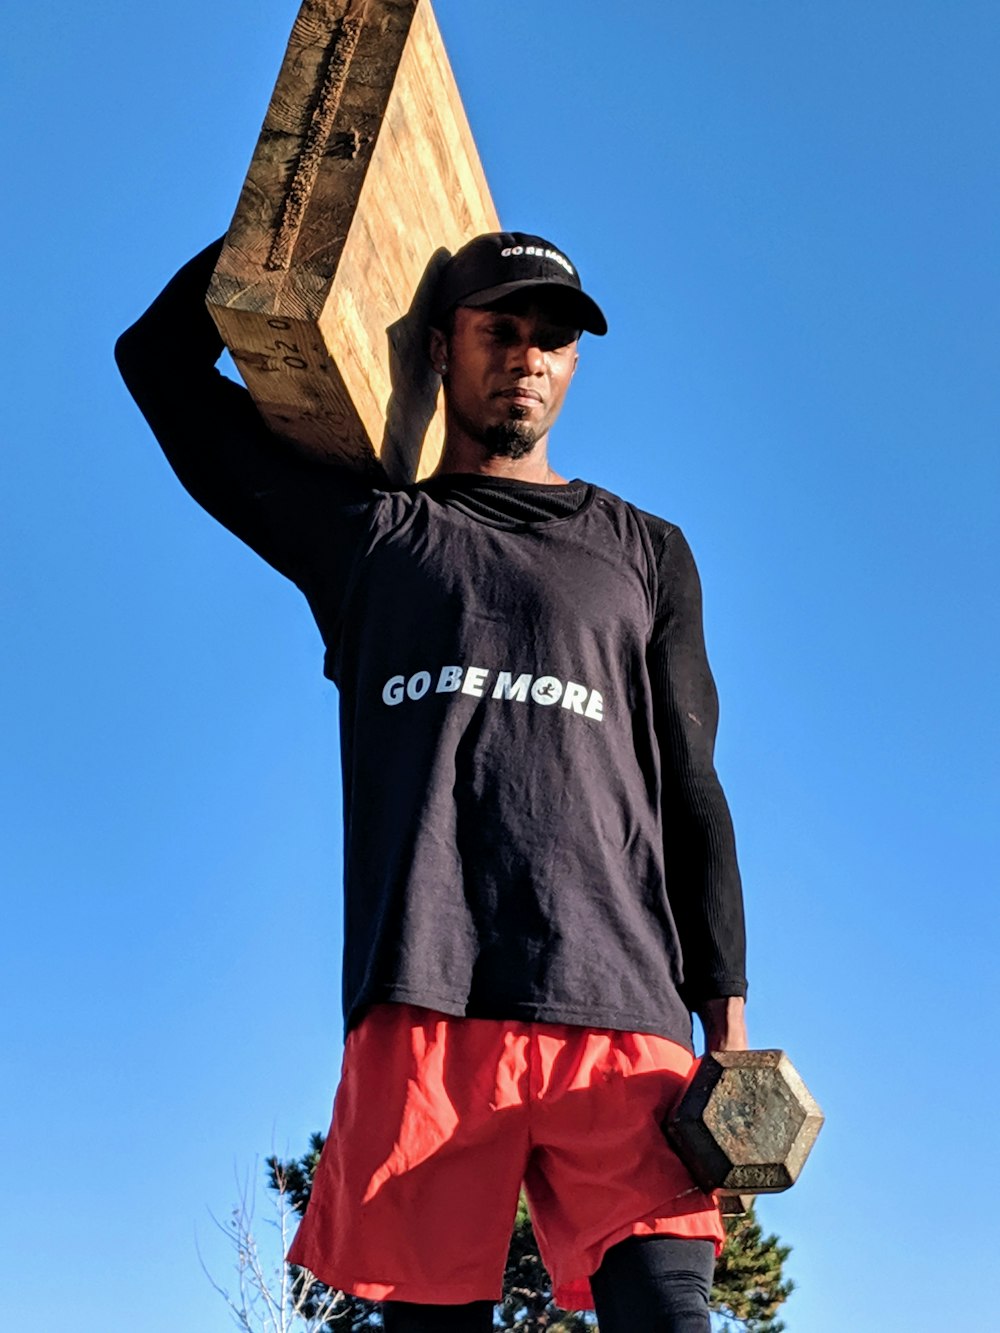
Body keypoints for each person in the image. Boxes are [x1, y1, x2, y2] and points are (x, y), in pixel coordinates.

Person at [115, 230, 749, 1333]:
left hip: (621, 1004)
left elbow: (691, 781)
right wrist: (299, 215)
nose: (527, 355)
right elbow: (156, 366)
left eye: (552, 336)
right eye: (498, 329)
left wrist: (727, 1027)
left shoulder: (646, 550)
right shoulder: (369, 538)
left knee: (669, 1313)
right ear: (442, 349)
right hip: (425, 992)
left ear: (576, 362)